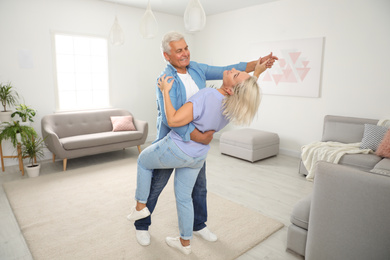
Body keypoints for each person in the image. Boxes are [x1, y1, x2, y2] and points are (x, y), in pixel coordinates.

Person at [133, 31, 278, 247]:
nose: (185, 54)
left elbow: (229, 72)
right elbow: (169, 117)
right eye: (178, 50)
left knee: (199, 188)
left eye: (186, 48)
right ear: (167, 56)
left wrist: (257, 65)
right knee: (156, 186)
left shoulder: (198, 69)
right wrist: (198, 135)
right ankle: (142, 225)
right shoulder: (166, 79)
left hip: (196, 148)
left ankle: (198, 225)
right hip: (174, 140)